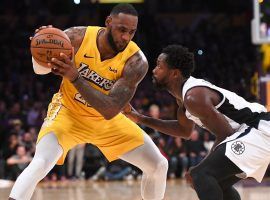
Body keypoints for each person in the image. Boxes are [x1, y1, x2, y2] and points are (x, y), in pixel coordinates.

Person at [9, 4, 168, 200]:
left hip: (106, 122)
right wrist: (40, 49)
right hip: (68, 113)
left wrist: (75, 77)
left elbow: (110, 110)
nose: (126, 37)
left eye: (131, 32)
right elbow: (40, 70)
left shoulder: (136, 62)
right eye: (121, 30)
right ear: (108, 22)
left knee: (159, 165)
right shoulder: (76, 38)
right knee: (41, 162)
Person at [123, 44, 270, 200]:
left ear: (174, 74)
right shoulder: (183, 101)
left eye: (159, 66)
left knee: (201, 175)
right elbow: (183, 131)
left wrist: (201, 167)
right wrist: (140, 118)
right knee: (217, 182)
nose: (154, 70)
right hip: (252, 134)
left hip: (259, 130)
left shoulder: (194, 97)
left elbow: (226, 133)